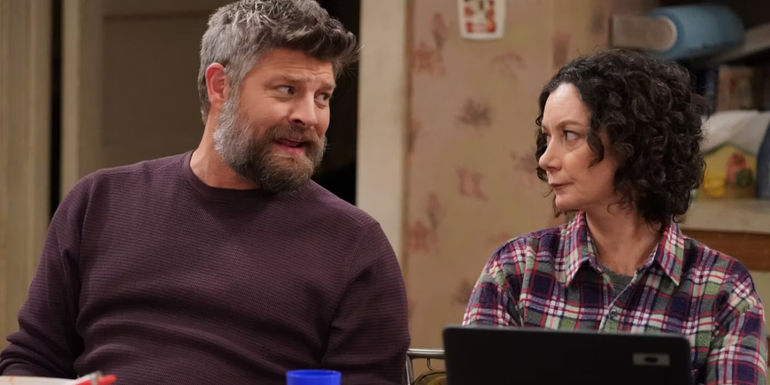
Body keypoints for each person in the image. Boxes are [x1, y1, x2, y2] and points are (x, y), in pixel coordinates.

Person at [0, 1, 410, 384]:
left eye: (322, 97)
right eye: (287, 90)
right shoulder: (98, 201)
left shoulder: (354, 245)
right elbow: (33, 359)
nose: (310, 116)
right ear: (220, 86)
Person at [463, 49, 767, 384]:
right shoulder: (515, 271)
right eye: (547, 137)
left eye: (570, 135)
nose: (545, 159)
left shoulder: (724, 291)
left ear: (633, 143)